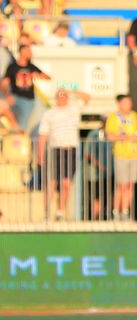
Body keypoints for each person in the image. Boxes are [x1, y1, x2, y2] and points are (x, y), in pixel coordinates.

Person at [37, 88, 89, 220]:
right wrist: (40, 154)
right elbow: (43, 135)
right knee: (52, 182)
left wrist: (70, 91)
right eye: (59, 95)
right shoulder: (49, 114)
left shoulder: (73, 109)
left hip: (71, 150)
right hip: (56, 149)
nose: (62, 98)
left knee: (67, 183)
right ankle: (46, 212)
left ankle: (60, 211)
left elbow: (86, 97)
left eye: (64, 96)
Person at [107, 94, 137, 220]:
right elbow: (110, 136)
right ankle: (116, 212)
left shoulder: (134, 116)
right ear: (120, 104)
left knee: (130, 184)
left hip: (135, 154)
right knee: (121, 184)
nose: (129, 105)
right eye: (126, 102)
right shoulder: (113, 117)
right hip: (121, 155)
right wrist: (127, 137)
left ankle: (125, 211)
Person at [2, 44, 49, 140]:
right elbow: (4, 83)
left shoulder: (31, 67)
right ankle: (14, 124)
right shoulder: (13, 67)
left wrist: (38, 75)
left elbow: (48, 77)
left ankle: (18, 144)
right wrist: (7, 96)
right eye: (28, 51)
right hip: (15, 97)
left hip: (28, 100)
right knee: (2, 105)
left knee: (22, 126)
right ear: (22, 52)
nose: (30, 53)